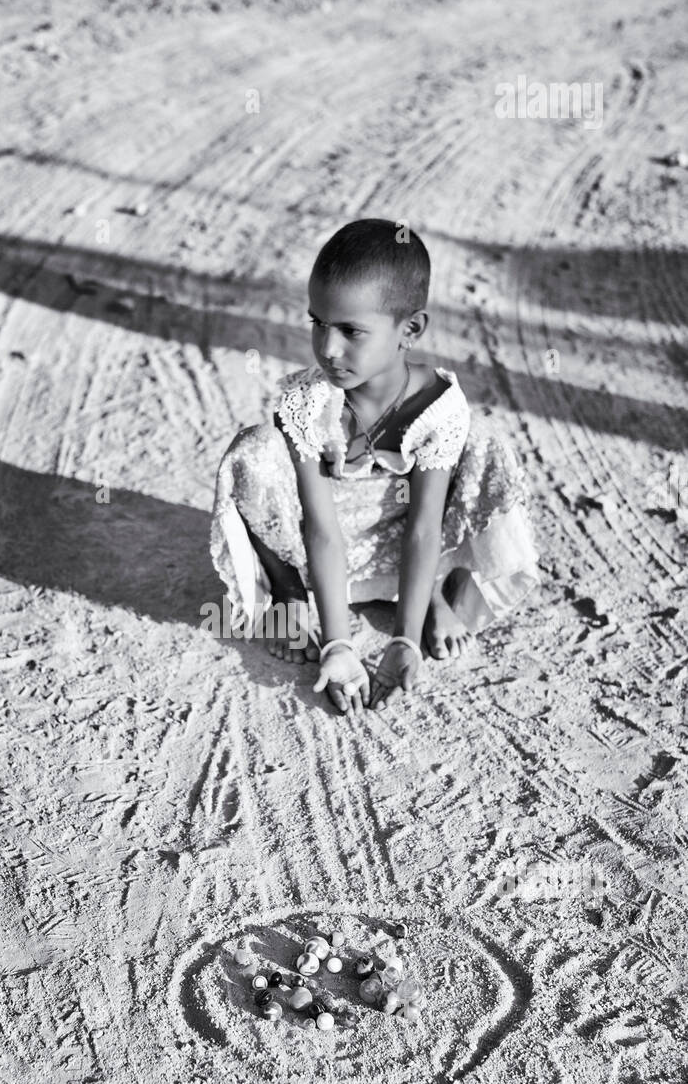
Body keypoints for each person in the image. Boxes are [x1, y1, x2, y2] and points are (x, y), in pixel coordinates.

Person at [209, 218, 539, 714]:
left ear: (410, 329)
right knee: (254, 450)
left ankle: (430, 598)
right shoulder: (307, 401)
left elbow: (425, 528)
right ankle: (289, 594)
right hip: (320, 545)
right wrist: (340, 647)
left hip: (397, 536)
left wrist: (404, 641)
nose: (328, 348)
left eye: (350, 330)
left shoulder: (439, 406)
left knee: (484, 440)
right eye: (317, 322)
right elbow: (320, 527)